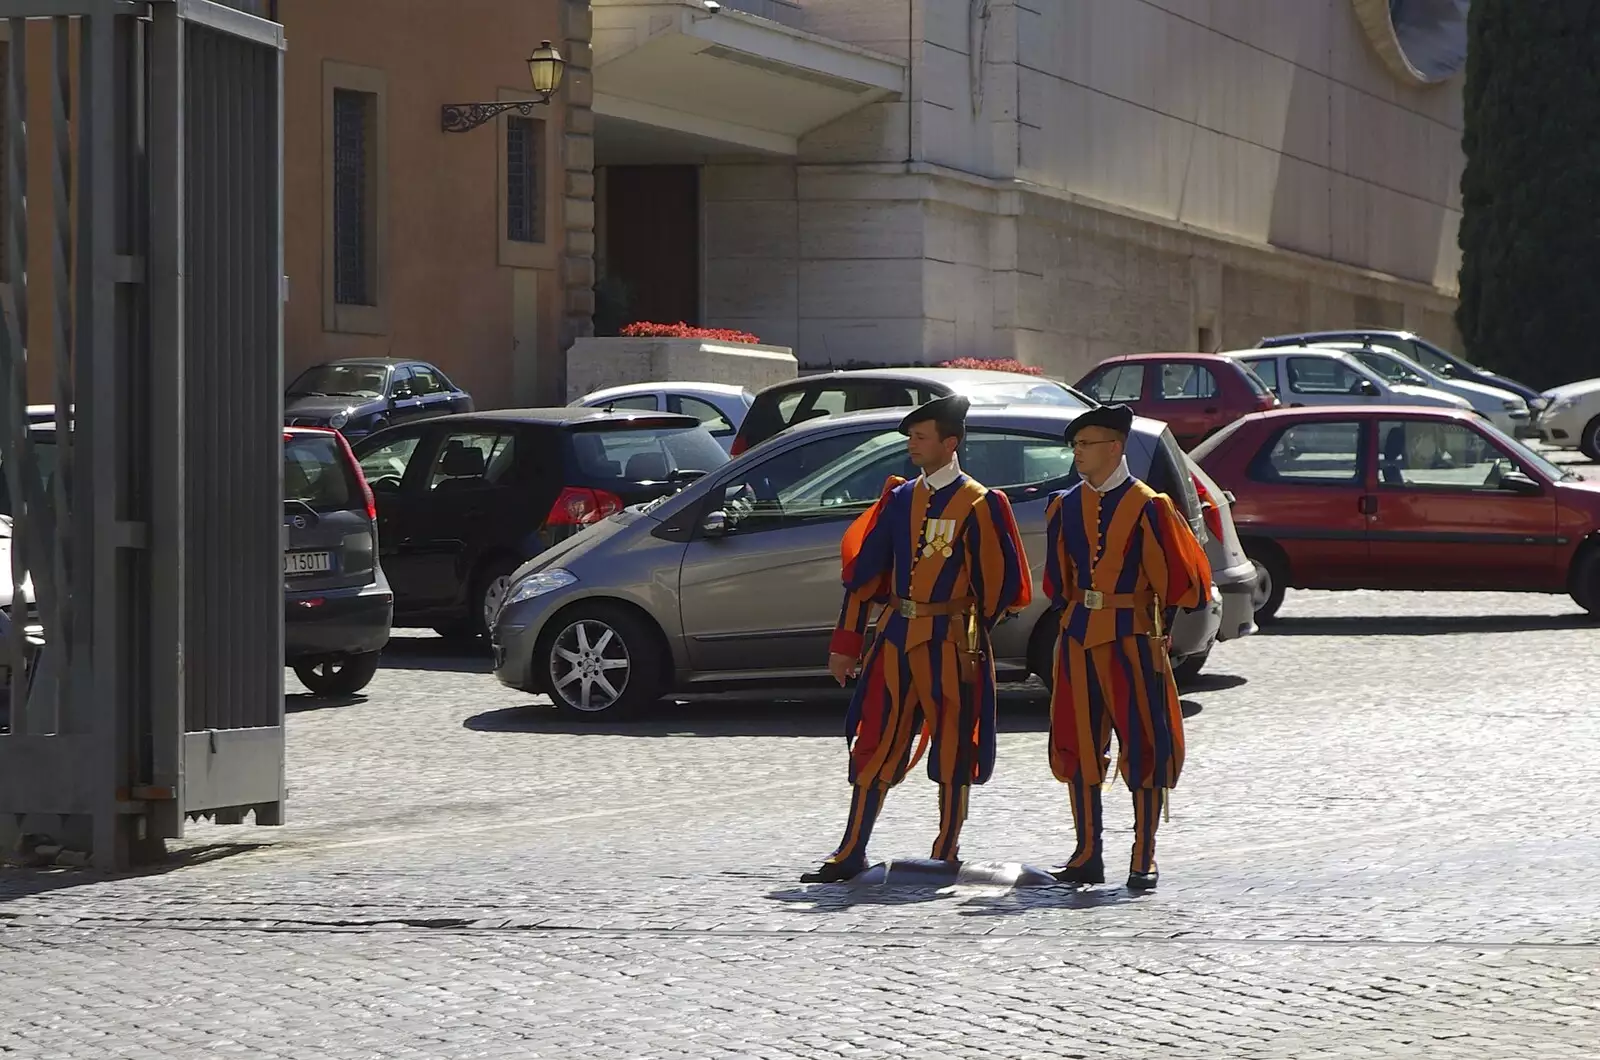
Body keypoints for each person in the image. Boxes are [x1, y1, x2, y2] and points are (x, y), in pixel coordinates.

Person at [801, 394, 1032, 883]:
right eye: (911, 437)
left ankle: (946, 848)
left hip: (951, 641)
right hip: (895, 636)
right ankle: (851, 849)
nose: (912, 445)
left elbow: (1003, 588)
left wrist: (968, 631)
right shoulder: (901, 498)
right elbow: (864, 575)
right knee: (875, 737)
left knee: (953, 744)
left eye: (921, 437)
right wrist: (845, 644)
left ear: (950, 443)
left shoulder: (982, 503)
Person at [1043, 403, 1212, 891]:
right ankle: (1087, 853)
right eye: (1074, 445)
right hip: (1078, 635)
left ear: (1115, 447)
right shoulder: (1065, 505)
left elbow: (1186, 584)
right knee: (1077, 744)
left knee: (1144, 743)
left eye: (1087, 444)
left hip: (1133, 634)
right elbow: (1058, 582)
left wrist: (1159, 634)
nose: (1078, 453)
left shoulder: (1150, 505)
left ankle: (1144, 855)